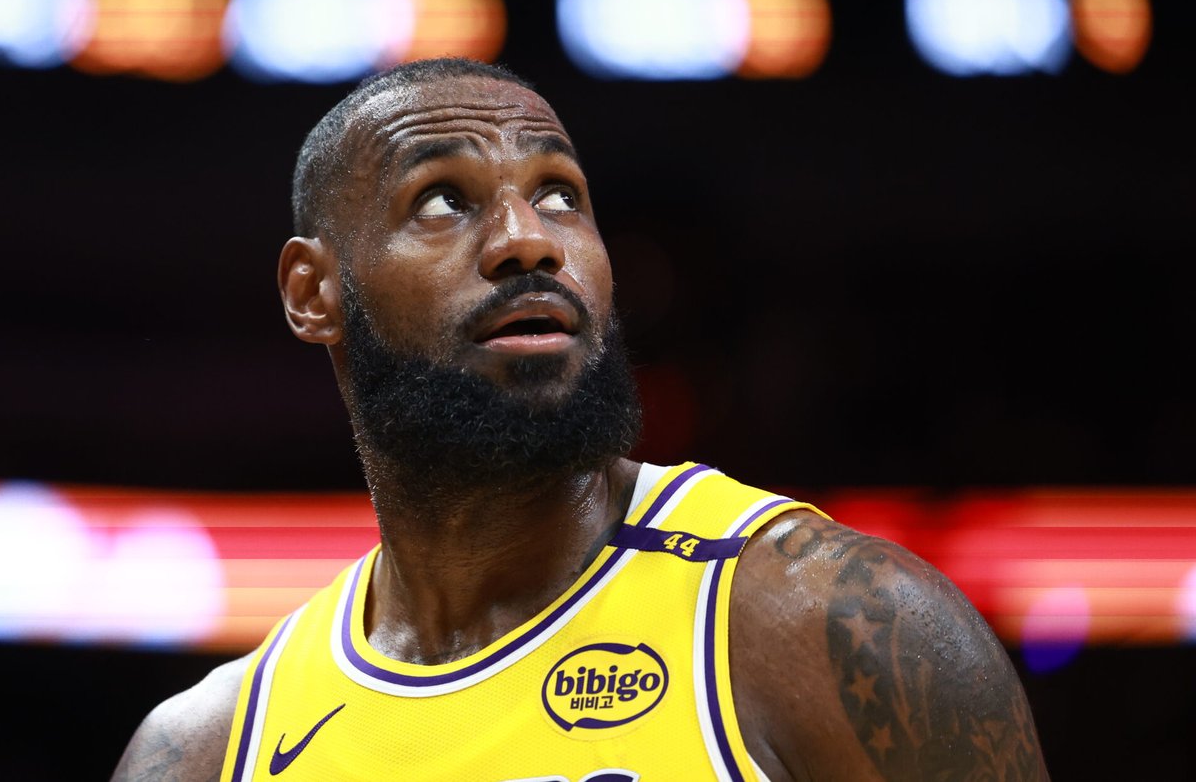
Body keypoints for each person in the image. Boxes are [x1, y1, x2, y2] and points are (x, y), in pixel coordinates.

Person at [113, 57, 1047, 781]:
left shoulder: (831, 625)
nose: (529, 239)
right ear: (314, 293)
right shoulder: (207, 749)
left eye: (561, 193)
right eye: (444, 199)